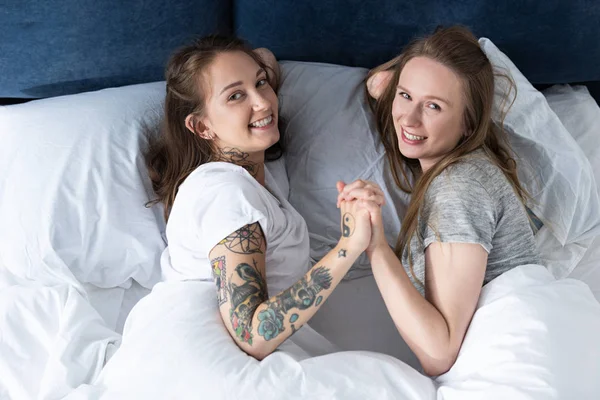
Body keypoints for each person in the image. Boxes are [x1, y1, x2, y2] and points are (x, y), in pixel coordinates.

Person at [146, 35, 379, 360]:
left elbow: (265, 59)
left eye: (262, 83)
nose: (263, 102)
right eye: (236, 96)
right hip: (220, 360)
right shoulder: (226, 194)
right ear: (201, 127)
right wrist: (348, 246)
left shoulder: (252, 174)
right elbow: (252, 334)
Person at [336, 26, 541, 376]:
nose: (409, 119)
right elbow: (377, 85)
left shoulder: (458, 188)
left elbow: (440, 352)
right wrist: (402, 87)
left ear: (468, 123)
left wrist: (375, 246)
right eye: (405, 96)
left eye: (433, 106)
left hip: (509, 370)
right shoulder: (461, 167)